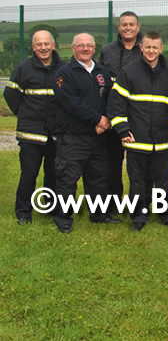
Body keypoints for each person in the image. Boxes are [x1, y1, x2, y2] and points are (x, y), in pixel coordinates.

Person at [107, 31, 168, 231]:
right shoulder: (128, 72)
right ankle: (139, 218)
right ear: (141, 47)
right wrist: (122, 130)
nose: (151, 51)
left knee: (163, 181)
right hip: (136, 139)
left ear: (161, 48)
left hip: (162, 140)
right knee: (138, 182)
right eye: (147, 47)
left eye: (155, 47)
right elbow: (116, 104)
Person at [52, 33, 121, 233]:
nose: (85, 48)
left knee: (99, 178)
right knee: (67, 178)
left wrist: (106, 118)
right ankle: (63, 218)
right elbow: (72, 103)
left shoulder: (102, 71)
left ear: (94, 48)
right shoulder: (64, 73)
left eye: (89, 45)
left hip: (98, 137)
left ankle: (99, 215)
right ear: (73, 49)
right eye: (80, 45)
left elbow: (111, 97)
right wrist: (97, 119)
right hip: (73, 137)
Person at [4, 30, 66, 225]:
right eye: (39, 44)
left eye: (46, 43)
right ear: (33, 47)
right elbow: (11, 95)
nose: (43, 47)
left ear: (53, 45)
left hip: (55, 133)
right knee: (29, 174)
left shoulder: (65, 69)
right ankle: (23, 212)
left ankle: (50, 206)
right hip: (31, 133)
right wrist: (24, 114)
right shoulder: (23, 69)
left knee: (54, 174)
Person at [100, 11, 144, 211]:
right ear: (119, 27)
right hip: (113, 115)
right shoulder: (107, 51)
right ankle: (113, 205)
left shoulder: (146, 49)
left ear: (138, 27)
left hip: (139, 117)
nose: (128, 28)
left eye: (131, 24)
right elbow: (99, 82)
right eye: (124, 24)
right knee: (112, 164)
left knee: (141, 166)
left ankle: (143, 204)